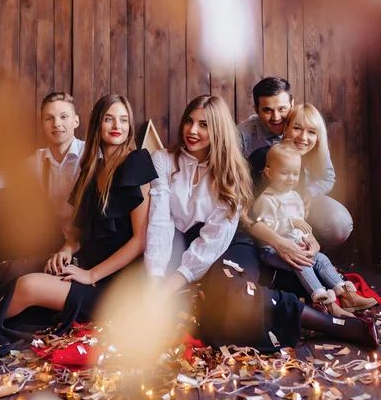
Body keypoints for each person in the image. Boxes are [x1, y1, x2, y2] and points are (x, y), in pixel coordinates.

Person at [0, 94, 157, 353]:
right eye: (109, 119)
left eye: (124, 120)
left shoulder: (136, 161)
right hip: (83, 265)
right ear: (97, 123)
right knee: (9, 273)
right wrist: (66, 250)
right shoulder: (92, 169)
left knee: (29, 286)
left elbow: (139, 241)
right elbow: (78, 231)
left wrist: (90, 275)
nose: (117, 126)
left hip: (116, 287)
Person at [144, 95, 253, 294]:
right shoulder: (162, 160)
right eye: (189, 121)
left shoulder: (231, 174)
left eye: (204, 124)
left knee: (230, 291)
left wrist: (170, 285)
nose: (192, 130)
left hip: (225, 243)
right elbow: (160, 221)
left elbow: (215, 237)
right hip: (178, 241)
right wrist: (155, 276)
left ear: (219, 130)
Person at [255, 142, 376, 317]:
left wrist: (306, 239)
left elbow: (301, 226)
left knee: (321, 259)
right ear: (269, 173)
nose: (290, 178)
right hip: (271, 250)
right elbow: (266, 228)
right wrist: (291, 223)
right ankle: (323, 301)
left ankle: (346, 295)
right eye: (284, 173)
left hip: (295, 244)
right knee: (302, 263)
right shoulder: (267, 199)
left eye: (295, 174)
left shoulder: (295, 196)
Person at [238, 77, 352, 252]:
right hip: (260, 201)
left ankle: (306, 250)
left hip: (300, 200)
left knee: (339, 222)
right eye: (268, 110)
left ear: (291, 104)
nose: (276, 117)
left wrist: (308, 193)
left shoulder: (310, 134)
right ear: (256, 109)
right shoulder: (247, 138)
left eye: (282, 109)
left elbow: (328, 178)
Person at [0, 92, 84, 243]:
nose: (56, 124)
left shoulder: (92, 155)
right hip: (49, 239)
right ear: (42, 123)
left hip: (83, 241)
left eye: (63, 117)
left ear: (75, 122)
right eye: (49, 118)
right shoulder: (37, 160)